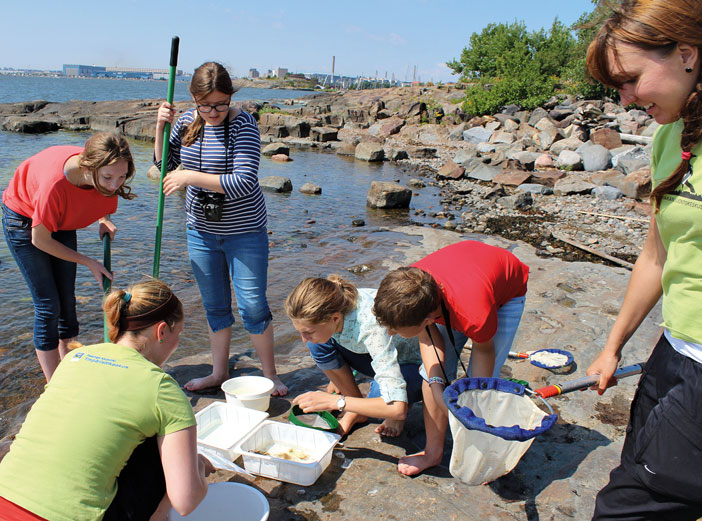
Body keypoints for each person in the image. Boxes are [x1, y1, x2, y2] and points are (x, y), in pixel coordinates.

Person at [584, 1, 702, 519]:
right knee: (636, 465)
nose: (626, 99)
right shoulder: (669, 138)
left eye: (630, 79)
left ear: (687, 53)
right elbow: (656, 256)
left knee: (625, 506)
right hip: (673, 352)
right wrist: (613, 347)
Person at [0, 279, 213, 521]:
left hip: (3, 499)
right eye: (179, 333)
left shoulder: (75, 358)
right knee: (162, 458)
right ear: (162, 331)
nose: (177, 342)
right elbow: (185, 502)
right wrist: (198, 468)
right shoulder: (162, 388)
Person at [154, 61, 287, 396]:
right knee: (215, 306)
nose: (213, 111)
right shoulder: (185, 120)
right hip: (200, 230)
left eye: (220, 103)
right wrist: (159, 128)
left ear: (230, 96)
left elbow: (243, 181)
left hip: (245, 232)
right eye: (206, 105)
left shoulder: (244, 122)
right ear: (194, 99)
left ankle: (271, 375)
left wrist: (190, 177)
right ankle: (218, 373)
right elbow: (164, 166)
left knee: (253, 305)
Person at [373, 240, 529, 476]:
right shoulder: (410, 289)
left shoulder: (474, 315)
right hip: (463, 275)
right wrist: (437, 385)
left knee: (483, 388)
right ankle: (432, 453)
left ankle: (482, 453)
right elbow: (428, 338)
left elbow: (483, 352)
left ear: (426, 318)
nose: (390, 333)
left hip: (506, 289)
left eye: (395, 328)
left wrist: (473, 403)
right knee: (429, 373)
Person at [2, 132, 135, 381]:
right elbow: (39, 240)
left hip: (60, 217)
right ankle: (53, 384)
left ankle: (68, 366)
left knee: (67, 299)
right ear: (88, 167)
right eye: (107, 177)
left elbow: (100, 196)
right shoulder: (55, 185)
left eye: (122, 177)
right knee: (48, 304)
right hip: (23, 219)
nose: (115, 185)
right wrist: (89, 261)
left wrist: (104, 218)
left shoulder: (108, 170)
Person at [285, 275, 423, 436]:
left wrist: (336, 402)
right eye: (300, 332)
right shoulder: (336, 305)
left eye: (307, 332)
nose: (303, 339)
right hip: (371, 353)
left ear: (335, 318)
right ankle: (356, 411)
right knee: (316, 343)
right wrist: (337, 377)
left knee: (381, 399)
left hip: (411, 363)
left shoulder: (371, 327)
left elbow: (396, 408)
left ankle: (404, 399)